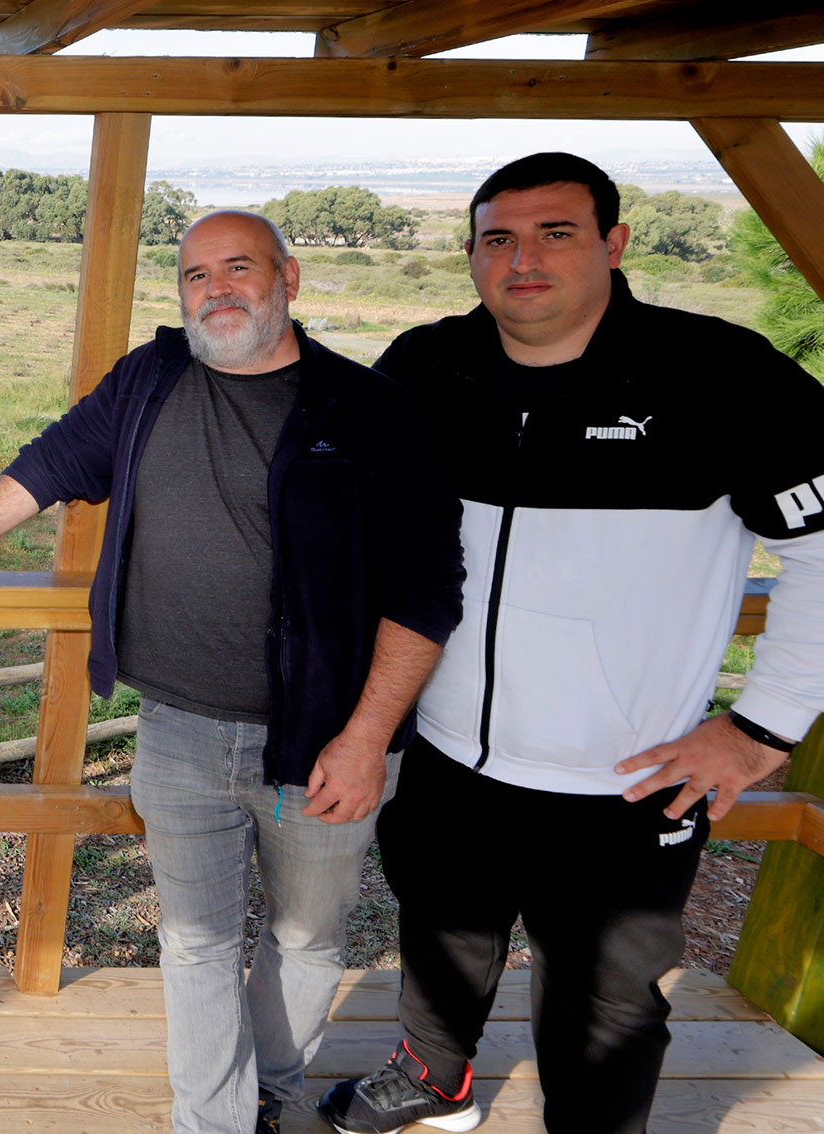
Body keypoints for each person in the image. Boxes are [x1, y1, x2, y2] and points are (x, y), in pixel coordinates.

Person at [0, 210, 464, 1134]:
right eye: (196, 275)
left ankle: (268, 1092)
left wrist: (366, 740)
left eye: (239, 269)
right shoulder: (149, 381)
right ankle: (216, 1124)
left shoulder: (372, 411)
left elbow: (426, 594)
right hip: (180, 726)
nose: (216, 290)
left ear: (290, 279)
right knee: (194, 944)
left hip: (327, 737)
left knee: (307, 938)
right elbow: (51, 463)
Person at [318, 152, 824, 1134]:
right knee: (437, 937)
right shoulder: (428, 366)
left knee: (609, 1003)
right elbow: (336, 510)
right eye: (498, 238)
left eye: (557, 233)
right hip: (451, 753)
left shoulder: (719, 373)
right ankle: (435, 1079)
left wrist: (764, 727)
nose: (523, 261)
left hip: (626, 779)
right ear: (471, 254)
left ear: (614, 244)